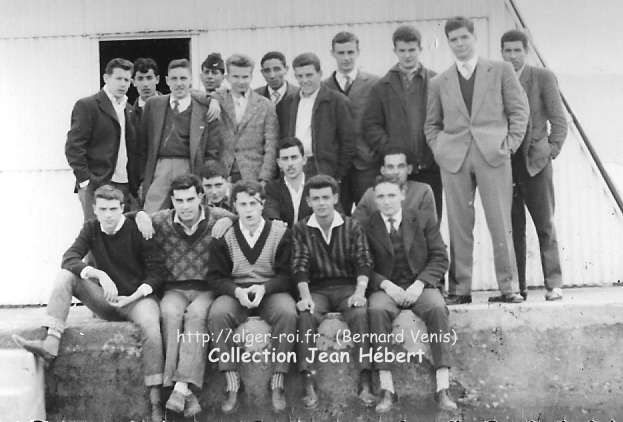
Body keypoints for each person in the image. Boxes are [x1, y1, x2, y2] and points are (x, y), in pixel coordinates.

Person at [12, 185, 166, 422]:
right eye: (102, 209)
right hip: (106, 299)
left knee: (152, 329)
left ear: (122, 208)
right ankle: (50, 343)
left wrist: (135, 296)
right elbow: (69, 258)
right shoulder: (92, 228)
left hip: (138, 299)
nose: (108, 215)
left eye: (113, 209)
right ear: (94, 209)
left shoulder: (138, 228)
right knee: (66, 276)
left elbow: (157, 272)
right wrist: (99, 275)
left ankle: (157, 403)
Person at [424, 16, 529, 304]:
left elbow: (519, 111)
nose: (459, 44)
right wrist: (440, 149)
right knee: (458, 224)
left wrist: (509, 145)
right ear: (448, 43)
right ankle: (460, 289)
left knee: (500, 221)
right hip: (454, 158)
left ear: (474, 38)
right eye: (453, 40)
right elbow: (431, 124)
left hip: (493, 154)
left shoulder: (500, 70)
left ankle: (509, 287)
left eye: (463, 38)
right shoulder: (439, 81)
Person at [133, 174, 233, 417]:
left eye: (190, 199)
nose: (185, 206)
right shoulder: (162, 220)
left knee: (197, 316)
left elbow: (247, 218)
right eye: (179, 200)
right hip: (175, 288)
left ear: (201, 197)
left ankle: (179, 386)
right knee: (169, 313)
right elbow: (128, 217)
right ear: (172, 201)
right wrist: (140, 216)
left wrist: (230, 222)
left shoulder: (218, 217)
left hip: (206, 288)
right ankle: (182, 392)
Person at [364, 175, 457, 412]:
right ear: (375, 199)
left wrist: (419, 284)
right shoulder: (367, 225)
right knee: (376, 311)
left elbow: (440, 257)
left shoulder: (422, 219)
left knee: (437, 309)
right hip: (387, 287)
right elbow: (363, 265)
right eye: (381, 196)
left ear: (403, 195)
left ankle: (443, 388)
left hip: (420, 285)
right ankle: (387, 389)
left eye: (392, 195)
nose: (386, 201)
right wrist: (386, 285)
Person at [206, 180, 297, 414]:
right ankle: (232, 381)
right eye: (242, 204)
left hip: (269, 291)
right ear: (234, 207)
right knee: (217, 313)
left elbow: (287, 275)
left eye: (253, 203)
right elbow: (215, 278)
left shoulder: (279, 232)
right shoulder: (224, 235)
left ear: (262, 204)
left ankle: (277, 379)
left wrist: (265, 288)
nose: (248, 209)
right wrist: (236, 291)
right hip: (237, 291)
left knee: (287, 312)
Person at [292, 175, 375, 409]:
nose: (321, 203)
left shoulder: (351, 226)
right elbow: (299, 266)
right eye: (315, 198)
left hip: (348, 287)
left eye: (326, 197)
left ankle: (365, 379)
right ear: (308, 201)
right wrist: (305, 297)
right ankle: (308, 381)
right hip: (317, 289)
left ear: (336, 198)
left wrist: (359, 292)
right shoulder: (301, 229)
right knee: (306, 316)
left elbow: (363, 260)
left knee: (360, 314)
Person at [501, 29, 567, 301]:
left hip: (536, 164)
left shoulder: (542, 77)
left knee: (545, 224)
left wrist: (550, 150)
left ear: (525, 51)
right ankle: (519, 287)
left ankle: (554, 284)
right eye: (507, 51)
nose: (513, 56)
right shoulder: (498, 79)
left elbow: (559, 121)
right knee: (512, 229)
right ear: (501, 53)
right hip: (507, 165)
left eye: (517, 50)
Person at [363, 25, 442, 220]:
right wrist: (392, 152)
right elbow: (371, 126)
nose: (407, 56)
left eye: (412, 50)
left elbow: (446, 121)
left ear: (420, 49)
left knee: (430, 220)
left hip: (429, 166)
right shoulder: (382, 86)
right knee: (398, 222)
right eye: (402, 50)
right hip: (396, 172)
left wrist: (436, 150)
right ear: (395, 51)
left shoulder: (436, 81)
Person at [141, 59, 223, 213]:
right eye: (174, 78)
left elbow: (212, 151)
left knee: (189, 212)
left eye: (183, 78)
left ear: (191, 80)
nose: (179, 83)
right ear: (166, 81)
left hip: (190, 166)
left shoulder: (205, 109)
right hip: (160, 166)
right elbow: (142, 145)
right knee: (152, 214)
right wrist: (142, 178)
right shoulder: (153, 105)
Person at [65, 58, 141, 221]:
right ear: (106, 78)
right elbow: (74, 147)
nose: (123, 84)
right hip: (96, 184)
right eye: (118, 78)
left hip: (124, 184)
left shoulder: (129, 110)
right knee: (95, 235)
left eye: (127, 80)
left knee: (120, 234)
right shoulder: (88, 105)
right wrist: (86, 182)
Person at [323, 32, 379, 211]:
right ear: (332, 53)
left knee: (370, 215)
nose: (346, 58)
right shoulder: (324, 87)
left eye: (350, 52)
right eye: (341, 53)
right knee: (338, 217)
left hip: (366, 164)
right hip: (337, 166)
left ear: (358, 52)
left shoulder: (374, 84)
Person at [281, 53, 355, 184]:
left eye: (309, 75)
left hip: (323, 168)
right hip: (295, 167)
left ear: (320, 73)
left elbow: (348, 142)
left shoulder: (337, 101)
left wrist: (338, 175)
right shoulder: (289, 102)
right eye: (300, 76)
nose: (304, 80)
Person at [212, 54, 279, 183]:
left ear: (251, 77)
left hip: (253, 174)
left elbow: (271, 145)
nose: (241, 81)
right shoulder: (219, 100)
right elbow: (196, 95)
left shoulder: (265, 105)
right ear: (227, 77)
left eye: (245, 77)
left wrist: (264, 178)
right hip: (224, 174)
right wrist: (212, 100)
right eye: (236, 77)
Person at [353, 148, 437, 228]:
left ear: (409, 169)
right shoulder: (371, 194)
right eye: (390, 167)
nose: (395, 172)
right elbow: (355, 226)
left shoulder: (422, 192)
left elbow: (429, 228)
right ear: (383, 171)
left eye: (400, 166)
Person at [263, 137, 312, 227]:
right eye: (285, 159)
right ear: (279, 163)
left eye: (294, 157)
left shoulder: (316, 185)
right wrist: (276, 222)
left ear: (304, 160)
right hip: (284, 237)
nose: (290, 164)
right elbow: (271, 213)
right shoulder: (272, 188)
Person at [255, 51, 299, 137]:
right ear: (262, 73)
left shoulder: (299, 95)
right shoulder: (255, 97)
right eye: (267, 71)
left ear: (286, 69)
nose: (272, 75)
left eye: (277, 69)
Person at [131, 57, 160, 122]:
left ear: (157, 79)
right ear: (133, 82)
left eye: (149, 78)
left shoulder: (171, 107)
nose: (145, 84)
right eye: (140, 79)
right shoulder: (128, 114)